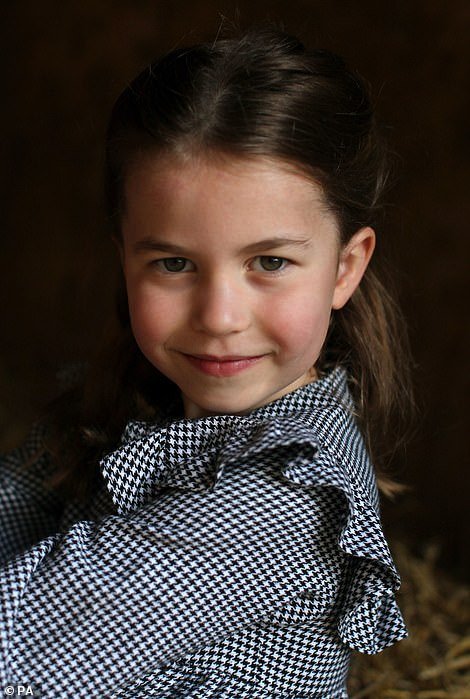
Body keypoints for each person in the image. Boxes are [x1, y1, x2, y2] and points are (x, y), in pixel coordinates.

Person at [0, 25, 413, 698]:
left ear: (345, 267)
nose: (220, 316)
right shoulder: (139, 396)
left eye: (270, 262)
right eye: (174, 263)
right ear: (123, 256)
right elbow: (12, 502)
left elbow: (21, 642)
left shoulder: (283, 500)